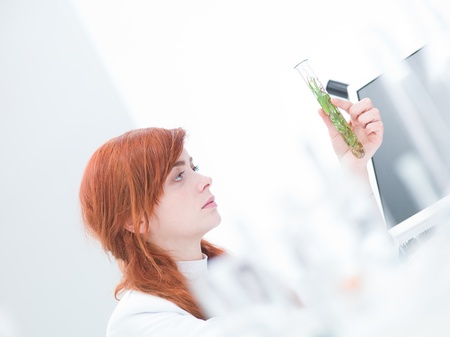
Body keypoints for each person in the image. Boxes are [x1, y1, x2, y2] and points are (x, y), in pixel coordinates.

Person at [79, 97, 383, 336]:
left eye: (193, 168)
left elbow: (357, 293)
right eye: (179, 176)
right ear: (135, 220)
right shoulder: (138, 322)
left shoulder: (235, 273)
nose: (205, 180)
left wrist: (353, 166)